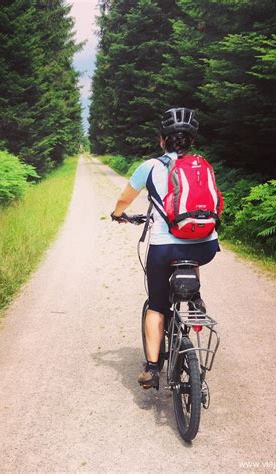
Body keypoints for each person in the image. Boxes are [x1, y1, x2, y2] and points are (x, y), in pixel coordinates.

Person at [110, 107, 223, 390]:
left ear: (163, 140)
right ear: (191, 141)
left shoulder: (150, 167)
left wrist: (118, 213)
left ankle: (151, 368)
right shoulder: (202, 166)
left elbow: (125, 198)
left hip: (164, 249)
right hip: (206, 246)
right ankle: (194, 296)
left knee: (158, 306)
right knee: (191, 248)